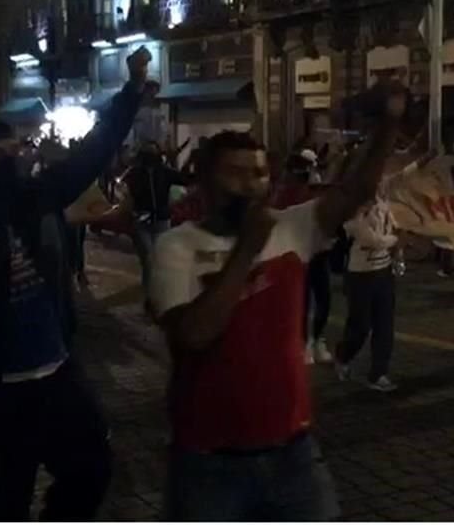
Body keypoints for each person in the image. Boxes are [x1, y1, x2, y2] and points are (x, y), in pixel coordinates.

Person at [0, 48, 156, 520]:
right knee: (2, 503)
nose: (10, 159)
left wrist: (131, 90)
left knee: (91, 469)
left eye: (13, 150)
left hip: (55, 374)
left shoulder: (37, 197)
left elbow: (94, 151)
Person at [147, 82, 406, 521]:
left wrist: (389, 122)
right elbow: (193, 335)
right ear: (204, 183)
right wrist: (246, 250)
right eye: (235, 173)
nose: (251, 185)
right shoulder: (177, 247)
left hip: (293, 454)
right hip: (209, 463)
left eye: (259, 173)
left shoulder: (291, 227)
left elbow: (356, 189)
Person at [334, 188, 400, 392]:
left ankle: (379, 373)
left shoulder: (383, 198)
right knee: (361, 325)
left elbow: (400, 178)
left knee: (385, 325)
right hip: (360, 276)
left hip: (384, 271)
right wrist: (397, 239)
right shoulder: (353, 211)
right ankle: (343, 355)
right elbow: (371, 241)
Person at [274, 151, 333, 365]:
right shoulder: (285, 192)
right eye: (306, 167)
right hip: (298, 254)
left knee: (324, 299)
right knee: (303, 301)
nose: (310, 171)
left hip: (319, 251)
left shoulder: (314, 188)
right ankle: (302, 343)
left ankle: (316, 340)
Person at [122, 140, 189, 303]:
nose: (151, 156)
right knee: (148, 258)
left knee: (159, 258)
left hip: (161, 220)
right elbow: (123, 191)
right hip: (141, 221)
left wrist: (184, 162)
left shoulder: (165, 172)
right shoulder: (133, 173)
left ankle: (157, 292)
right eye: (147, 152)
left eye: (153, 152)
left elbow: (184, 179)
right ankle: (150, 295)